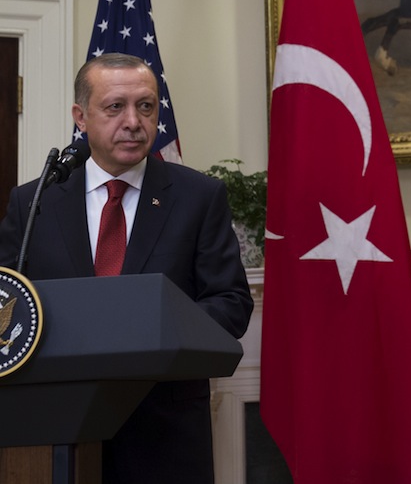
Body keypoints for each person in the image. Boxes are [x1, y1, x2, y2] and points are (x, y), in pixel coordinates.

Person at [0, 53, 253, 483]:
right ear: (80, 116)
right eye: (115, 106)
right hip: (54, 431)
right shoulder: (34, 201)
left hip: (164, 431)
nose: (134, 120)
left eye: (146, 106)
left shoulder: (198, 196)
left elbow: (231, 304)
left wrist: (153, 330)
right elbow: (7, 302)